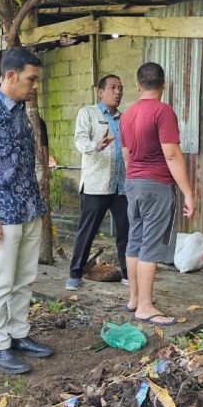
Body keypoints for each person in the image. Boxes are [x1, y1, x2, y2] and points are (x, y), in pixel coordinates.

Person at [0, 47, 53, 375]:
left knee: (25, 278)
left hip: (28, 209)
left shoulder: (19, 111)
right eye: (31, 79)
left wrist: (39, 206)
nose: (34, 85)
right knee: (1, 280)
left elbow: (25, 166)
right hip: (1, 214)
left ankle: (19, 333)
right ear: (11, 76)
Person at [119, 62, 195, 326]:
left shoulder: (127, 115)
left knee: (135, 241)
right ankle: (145, 306)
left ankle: (134, 298)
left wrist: (136, 180)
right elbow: (172, 154)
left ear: (139, 85)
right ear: (164, 85)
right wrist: (188, 193)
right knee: (150, 244)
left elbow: (126, 156)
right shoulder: (163, 112)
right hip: (156, 185)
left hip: (133, 183)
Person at [66, 74, 129, 291]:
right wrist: (97, 145)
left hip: (121, 185)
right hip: (96, 185)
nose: (118, 91)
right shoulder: (88, 114)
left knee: (125, 232)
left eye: (120, 88)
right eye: (113, 87)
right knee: (87, 231)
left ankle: (128, 273)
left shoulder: (125, 119)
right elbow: (80, 141)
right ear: (100, 92)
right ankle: (75, 273)